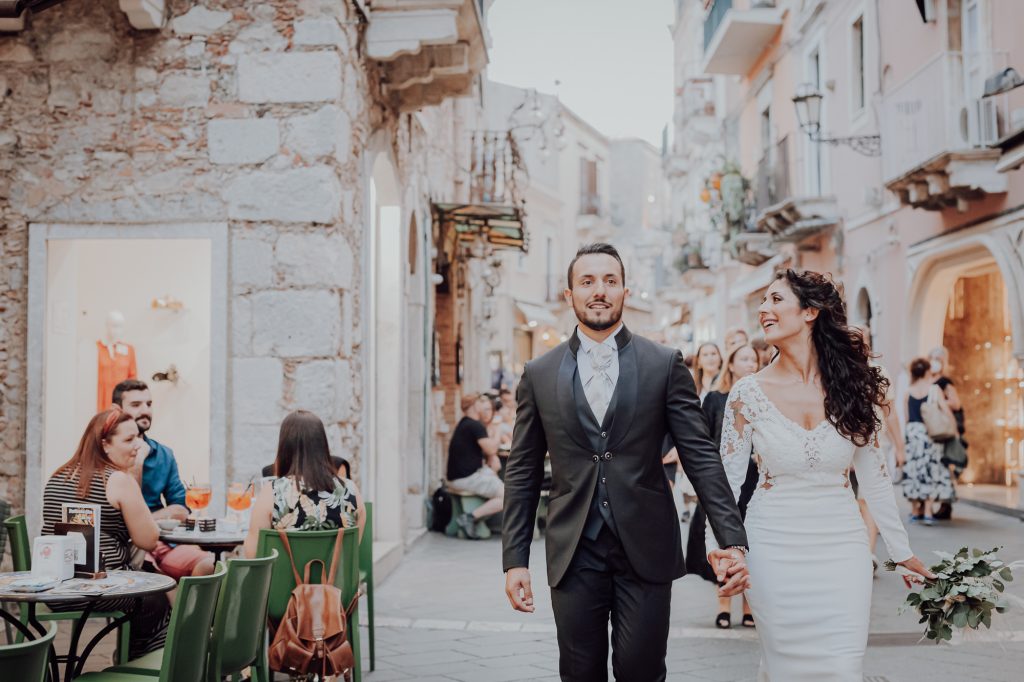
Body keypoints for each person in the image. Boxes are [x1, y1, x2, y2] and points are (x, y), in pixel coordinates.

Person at [503, 243, 748, 682]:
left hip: (647, 547)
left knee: (642, 670)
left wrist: (732, 538)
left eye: (610, 281)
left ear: (625, 292)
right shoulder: (538, 373)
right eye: (588, 281)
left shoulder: (664, 363)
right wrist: (514, 559)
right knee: (579, 673)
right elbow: (521, 469)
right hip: (573, 549)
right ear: (570, 294)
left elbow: (700, 455)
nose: (600, 291)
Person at [709, 269, 931, 680]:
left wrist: (901, 552)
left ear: (810, 311)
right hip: (772, 548)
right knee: (785, 667)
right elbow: (724, 483)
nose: (764, 309)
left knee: (843, 668)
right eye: (763, 301)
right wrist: (724, 549)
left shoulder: (853, 386)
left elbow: (876, 478)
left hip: (843, 549)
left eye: (776, 300)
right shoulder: (747, 393)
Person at [43, 408, 170, 657]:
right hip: (98, 588)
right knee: (155, 599)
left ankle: (130, 658)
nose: (139, 445)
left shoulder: (58, 476)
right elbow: (149, 539)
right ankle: (137, 663)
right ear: (105, 445)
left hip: (53, 589)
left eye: (138, 437)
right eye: (129, 439)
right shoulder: (117, 480)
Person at [687, 343, 759, 629]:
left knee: (750, 538)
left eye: (754, 359)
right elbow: (703, 439)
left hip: (754, 478)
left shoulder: (761, 397)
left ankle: (750, 606)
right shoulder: (716, 399)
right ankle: (724, 604)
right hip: (722, 478)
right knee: (724, 537)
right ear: (730, 364)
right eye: (744, 358)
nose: (751, 364)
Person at [112, 380, 215, 579]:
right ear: (117, 409)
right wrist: (137, 463)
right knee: (153, 577)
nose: (145, 411)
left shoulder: (164, 454)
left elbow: (181, 508)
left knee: (209, 564)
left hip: (164, 541)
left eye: (149, 404)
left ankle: (188, 610)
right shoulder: (108, 454)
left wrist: (146, 520)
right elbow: (121, 521)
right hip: (128, 547)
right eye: (136, 405)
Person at [244, 410, 364, 558]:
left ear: (284, 448)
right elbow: (351, 550)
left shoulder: (272, 492)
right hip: (334, 581)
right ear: (322, 445)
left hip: (283, 581)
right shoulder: (351, 491)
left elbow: (252, 554)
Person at [902, 357, 955, 525]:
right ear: (927, 371)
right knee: (931, 471)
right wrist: (953, 428)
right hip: (929, 435)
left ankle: (915, 510)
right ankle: (927, 512)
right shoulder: (934, 389)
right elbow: (946, 411)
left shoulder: (908, 391)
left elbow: (907, 417)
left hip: (912, 434)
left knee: (914, 472)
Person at [447, 393, 504, 538]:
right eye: (481, 403)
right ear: (474, 405)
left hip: (459, 477)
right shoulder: (475, 425)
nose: (484, 407)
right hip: (465, 478)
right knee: (509, 496)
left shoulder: (465, 423)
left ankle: (475, 518)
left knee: (498, 482)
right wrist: (498, 430)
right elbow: (491, 448)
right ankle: (470, 517)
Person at [929, 346, 963, 519]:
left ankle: (946, 504)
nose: (936, 362)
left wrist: (938, 402)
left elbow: (956, 404)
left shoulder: (945, 382)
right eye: (933, 358)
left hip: (943, 428)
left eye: (940, 359)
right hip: (933, 429)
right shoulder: (928, 380)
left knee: (945, 464)